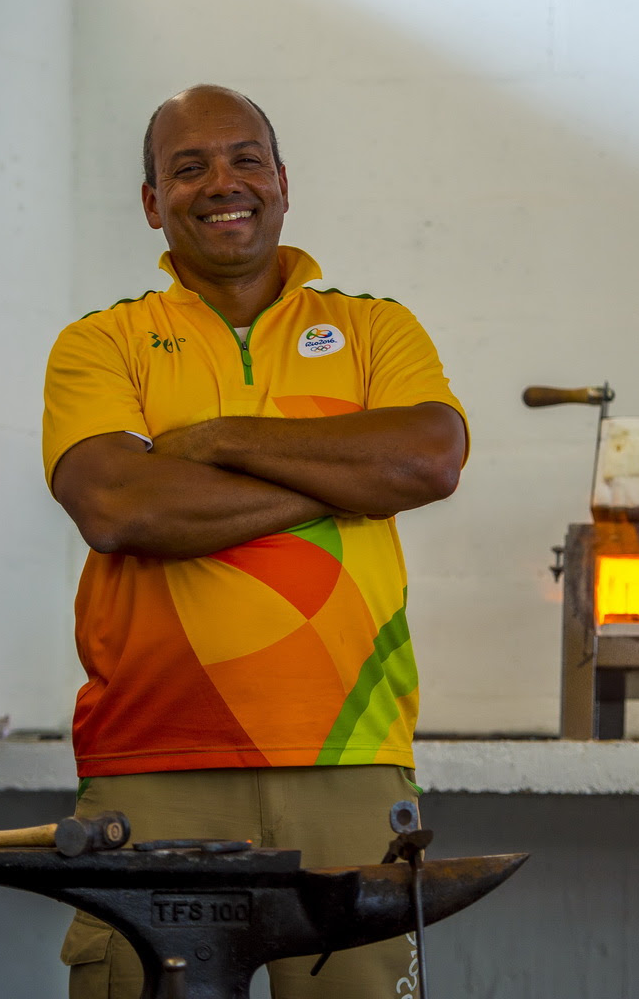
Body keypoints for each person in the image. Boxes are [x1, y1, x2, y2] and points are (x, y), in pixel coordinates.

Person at [41, 84, 468, 999]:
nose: (220, 183)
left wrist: (222, 440)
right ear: (154, 203)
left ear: (281, 181)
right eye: (186, 167)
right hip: (155, 761)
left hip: (349, 756)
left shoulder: (372, 329)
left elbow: (429, 460)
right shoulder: (102, 342)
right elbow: (123, 510)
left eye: (244, 159)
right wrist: (344, 484)